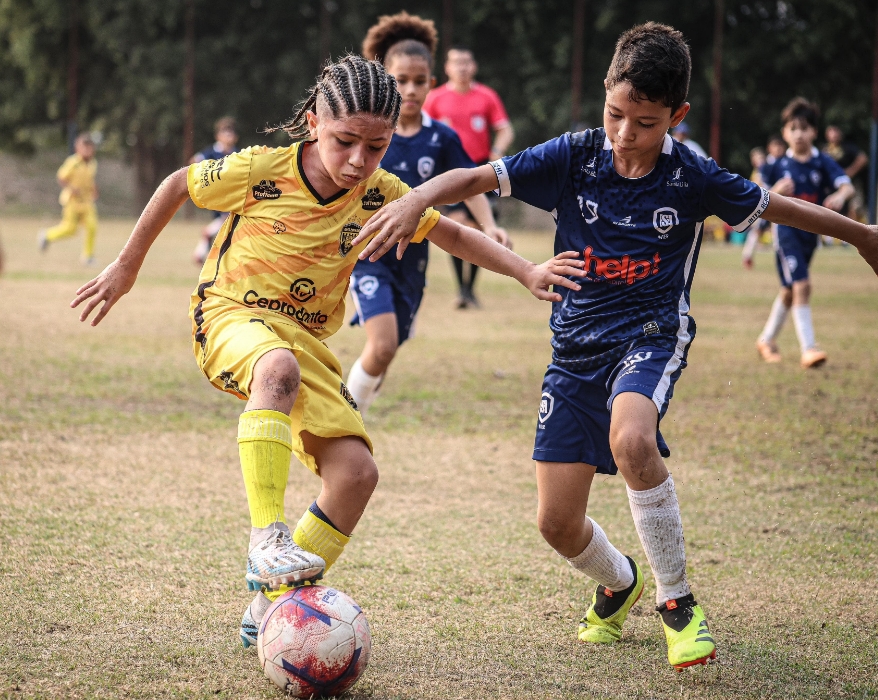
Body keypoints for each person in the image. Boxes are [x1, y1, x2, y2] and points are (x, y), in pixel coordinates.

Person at [353, 23, 878, 670]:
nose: (626, 135)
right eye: (615, 115)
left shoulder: (692, 176)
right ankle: (619, 582)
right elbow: (478, 176)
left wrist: (863, 237)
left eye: (646, 123)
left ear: (676, 117)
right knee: (556, 524)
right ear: (604, 96)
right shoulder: (574, 155)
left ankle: (677, 603)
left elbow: (779, 208)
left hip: (650, 333)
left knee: (632, 440)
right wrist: (419, 200)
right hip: (573, 348)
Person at [69, 55, 584, 649]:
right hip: (230, 313)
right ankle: (268, 541)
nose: (360, 161)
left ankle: (270, 606)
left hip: (303, 341)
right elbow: (177, 184)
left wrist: (525, 270)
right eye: (345, 142)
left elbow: (450, 232)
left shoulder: (381, 194)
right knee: (277, 367)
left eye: (377, 146)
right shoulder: (262, 170)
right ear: (313, 123)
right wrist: (127, 265)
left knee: (357, 474)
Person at [346, 12, 509, 415]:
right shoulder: (368, 132)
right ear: (386, 80)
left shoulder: (441, 137)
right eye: (401, 80)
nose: (411, 89)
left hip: (413, 256)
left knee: (388, 350)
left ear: (431, 84)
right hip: (368, 253)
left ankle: (355, 403)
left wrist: (489, 225)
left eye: (420, 81)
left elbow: (469, 183)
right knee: (381, 344)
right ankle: (346, 423)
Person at [756, 98, 855, 368]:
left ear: (814, 131)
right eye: (793, 128)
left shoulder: (822, 162)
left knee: (789, 291)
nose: (798, 133)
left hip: (810, 236)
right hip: (785, 233)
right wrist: (775, 190)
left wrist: (838, 195)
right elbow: (755, 194)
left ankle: (766, 340)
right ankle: (809, 349)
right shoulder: (776, 165)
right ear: (785, 132)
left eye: (804, 128)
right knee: (802, 285)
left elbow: (847, 186)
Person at [423, 46, 514, 308]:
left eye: (466, 61)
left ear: (473, 66)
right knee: (458, 223)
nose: (462, 67)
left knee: (480, 230)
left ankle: (468, 289)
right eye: (456, 62)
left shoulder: (486, 96)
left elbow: (506, 130)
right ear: (447, 68)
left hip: (479, 171)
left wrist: (496, 153)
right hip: (451, 173)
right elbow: (422, 131)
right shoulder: (435, 98)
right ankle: (462, 289)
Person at [38, 134, 99, 265]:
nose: (87, 151)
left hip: (87, 201)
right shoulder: (73, 162)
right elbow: (61, 177)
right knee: (70, 229)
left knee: (92, 226)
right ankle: (47, 235)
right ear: (78, 148)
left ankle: (88, 256)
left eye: (90, 148)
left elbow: (90, 179)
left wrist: (94, 189)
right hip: (72, 200)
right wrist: (72, 188)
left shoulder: (93, 163)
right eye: (85, 148)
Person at [191, 117, 240, 265]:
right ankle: (207, 249)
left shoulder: (237, 154)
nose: (228, 136)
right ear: (218, 135)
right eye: (225, 133)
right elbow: (194, 161)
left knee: (227, 224)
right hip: (216, 195)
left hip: (231, 195)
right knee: (224, 223)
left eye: (230, 133)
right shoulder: (212, 152)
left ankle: (202, 254)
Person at [823, 124, 868, 221]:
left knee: (855, 209)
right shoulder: (825, 150)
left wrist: (850, 171)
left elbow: (863, 158)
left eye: (836, 131)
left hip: (851, 184)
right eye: (831, 132)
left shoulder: (848, 147)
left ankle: (854, 232)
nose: (834, 135)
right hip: (833, 186)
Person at [742, 147, 768, 268]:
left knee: (759, 230)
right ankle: (747, 255)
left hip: (766, 203)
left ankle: (748, 254)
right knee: (757, 230)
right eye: (756, 158)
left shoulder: (764, 170)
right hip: (762, 204)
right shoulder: (758, 172)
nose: (758, 160)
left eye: (760, 158)